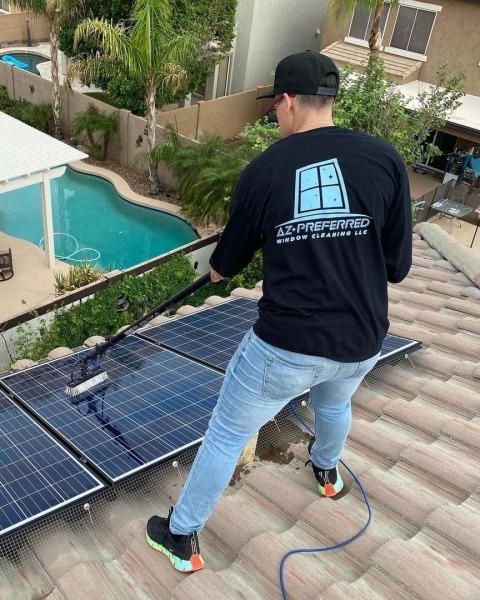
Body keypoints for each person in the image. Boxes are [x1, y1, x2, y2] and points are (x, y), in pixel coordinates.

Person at [146, 52, 412, 573]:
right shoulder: (385, 160)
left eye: (275, 108)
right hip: (361, 341)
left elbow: (227, 264)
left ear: (288, 102)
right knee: (335, 402)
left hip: (285, 349)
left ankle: (180, 536)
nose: (275, 117)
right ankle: (327, 472)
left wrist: (219, 270)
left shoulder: (265, 170)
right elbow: (397, 267)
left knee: (226, 434)